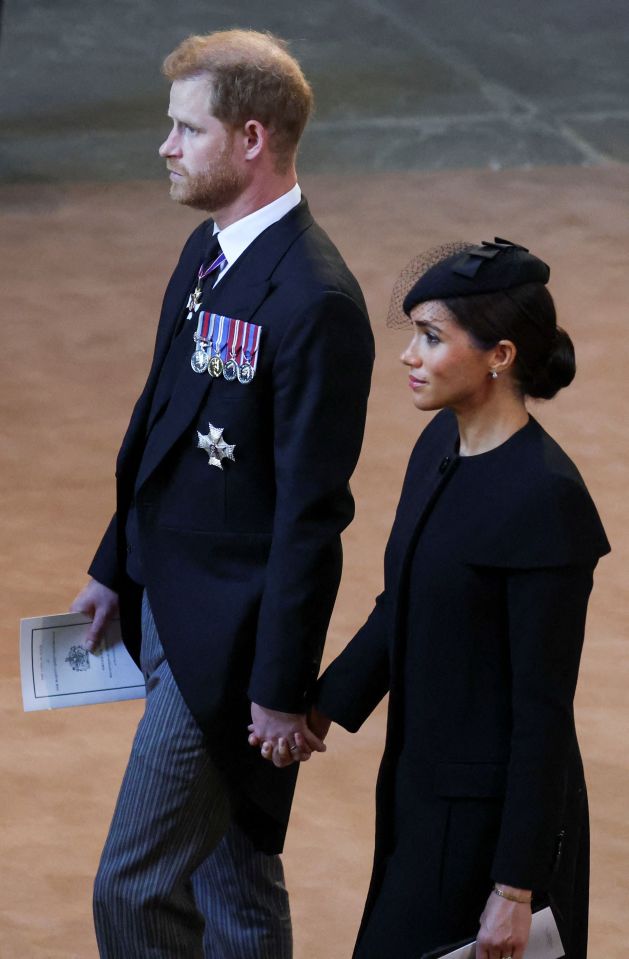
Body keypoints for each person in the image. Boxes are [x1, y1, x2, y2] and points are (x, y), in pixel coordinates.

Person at [70, 29, 374, 959]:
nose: (165, 146)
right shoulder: (209, 253)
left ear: (250, 138)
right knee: (232, 873)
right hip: (164, 603)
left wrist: (280, 690)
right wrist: (116, 564)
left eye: (184, 129)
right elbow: (159, 425)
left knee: (133, 882)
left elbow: (310, 514)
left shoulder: (313, 299)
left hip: (230, 649)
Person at [257, 238, 609, 958]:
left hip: (489, 833)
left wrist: (516, 889)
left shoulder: (546, 500)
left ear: (499, 356)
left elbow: (542, 712)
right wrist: (318, 709)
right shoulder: (439, 449)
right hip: (421, 801)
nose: (407, 356)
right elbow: (403, 605)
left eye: (430, 337)